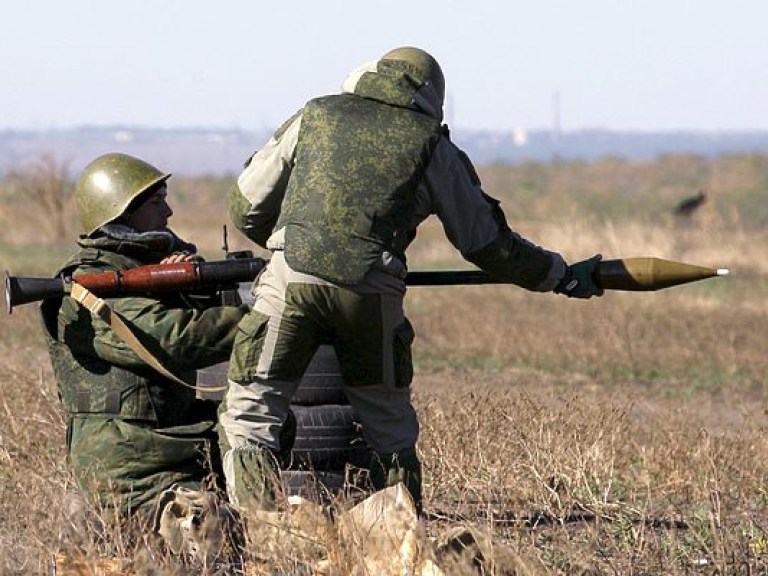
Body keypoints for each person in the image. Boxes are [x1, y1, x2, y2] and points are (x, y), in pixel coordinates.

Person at [218, 46, 603, 514]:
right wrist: (559, 276)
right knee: (388, 428)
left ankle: (264, 537)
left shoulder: (316, 114)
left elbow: (245, 205)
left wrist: (289, 245)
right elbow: (487, 244)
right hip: (372, 297)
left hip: (288, 284)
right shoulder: (432, 144)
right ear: (432, 97)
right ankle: (399, 544)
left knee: (251, 413)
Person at [40, 152, 249, 519]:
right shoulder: (85, 288)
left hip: (179, 439)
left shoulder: (143, 269)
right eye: (157, 202)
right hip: (132, 459)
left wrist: (190, 281)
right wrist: (265, 318)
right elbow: (173, 338)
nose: (168, 213)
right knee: (207, 526)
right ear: (120, 211)